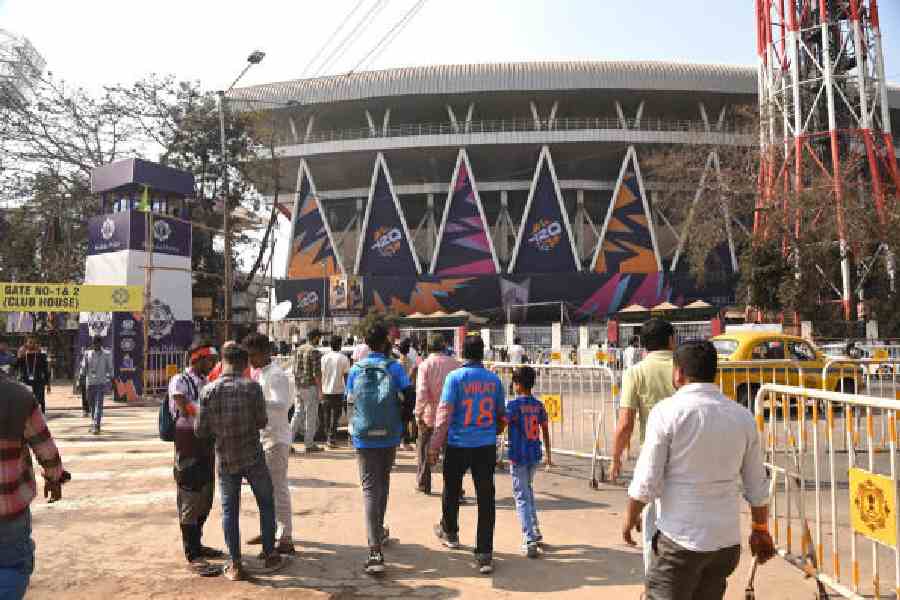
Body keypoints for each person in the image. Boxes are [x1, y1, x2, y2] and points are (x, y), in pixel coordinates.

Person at [623, 341, 775, 599]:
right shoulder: (741, 417)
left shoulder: (667, 412)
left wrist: (630, 518)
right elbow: (757, 485)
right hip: (725, 544)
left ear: (678, 373)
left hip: (680, 540)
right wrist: (760, 528)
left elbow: (647, 480)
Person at [195, 343, 286, 581]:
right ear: (244, 364)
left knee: (229, 511)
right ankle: (269, 553)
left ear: (223, 363)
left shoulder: (208, 391)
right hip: (253, 456)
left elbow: (201, 431)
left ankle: (235, 563)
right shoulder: (252, 388)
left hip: (225, 458)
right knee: (266, 503)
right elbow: (261, 421)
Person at [429, 335, 506, 575]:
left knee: (451, 489)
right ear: (483, 353)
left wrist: (434, 445)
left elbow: (444, 415)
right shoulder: (494, 381)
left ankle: (450, 532)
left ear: (463, 352)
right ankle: (484, 553)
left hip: (458, 443)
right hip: (484, 445)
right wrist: (491, 430)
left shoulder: (455, 378)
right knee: (486, 498)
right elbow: (501, 417)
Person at [344, 322, 414, 575]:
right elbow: (410, 393)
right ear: (385, 342)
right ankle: (379, 531)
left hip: (364, 436)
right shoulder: (394, 367)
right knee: (383, 483)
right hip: (389, 434)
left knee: (369, 489)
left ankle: (375, 549)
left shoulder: (356, 369)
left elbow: (349, 401)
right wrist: (403, 423)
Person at [610, 318, 676, 574]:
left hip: (653, 455)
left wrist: (615, 458)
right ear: (671, 340)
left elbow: (625, 423)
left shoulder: (635, 372)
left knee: (652, 525)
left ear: (642, 344)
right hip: (688, 452)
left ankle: (655, 583)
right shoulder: (683, 367)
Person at [0, 365, 68, 599]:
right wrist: (55, 478)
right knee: (11, 568)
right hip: (9, 509)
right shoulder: (19, 397)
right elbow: (45, 448)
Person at [167, 339, 223, 574]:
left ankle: (197, 544)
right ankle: (192, 554)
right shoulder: (180, 380)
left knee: (206, 498)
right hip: (188, 446)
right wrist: (207, 412)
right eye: (209, 360)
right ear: (197, 359)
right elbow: (182, 405)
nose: (212, 365)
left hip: (206, 446)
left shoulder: (207, 381)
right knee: (189, 498)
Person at [245, 333, 296, 555]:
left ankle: (285, 536)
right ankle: (270, 529)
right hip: (265, 437)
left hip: (276, 438)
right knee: (266, 489)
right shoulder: (262, 374)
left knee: (278, 488)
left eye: (253, 355)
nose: (251, 360)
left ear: (264, 352)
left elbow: (282, 404)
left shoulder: (276, 375)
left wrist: (255, 401)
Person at [504, 366, 552, 559]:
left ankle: (529, 537)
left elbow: (502, 423)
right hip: (534, 454)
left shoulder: (513, 406)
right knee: (528, 491)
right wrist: (548, 454)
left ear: (517, 384)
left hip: (518, 455)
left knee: (521, 496)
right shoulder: (539, 405)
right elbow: (546, 430)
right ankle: (535, 528)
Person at [414, 334, 461, 495]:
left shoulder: (425, 365)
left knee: (424, 450)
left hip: (430, 415)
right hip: (451, 416)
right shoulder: (456, 364)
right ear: (444, 347)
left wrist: (418, 414)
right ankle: (453, 487)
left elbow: (422, 392)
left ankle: (423, 483)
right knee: (451, 455)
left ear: (428, 348)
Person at [292, 329, 323, 453]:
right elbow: (317, 373)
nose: (319, 341)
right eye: (319, 338)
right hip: (310, 387)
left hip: (299, 386)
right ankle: (309, 444)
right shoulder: (314, 351)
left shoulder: (298, 349)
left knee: (297, 414)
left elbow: (294, 370)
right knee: (311, 415)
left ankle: (287, 442)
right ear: (315, 338)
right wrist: (320, 390)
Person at [77, 336, 114, 434]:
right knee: (92, 406)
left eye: (97, 343)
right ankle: (94, 424)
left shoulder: (107, 354)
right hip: (90, 384)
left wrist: (112, 380)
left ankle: (97, 425)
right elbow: (83, 368)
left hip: (101, 383)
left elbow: (110, 368)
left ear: (101, 344)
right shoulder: (87, 354)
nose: (95, 345)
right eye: (94, 343)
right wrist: (79, 380)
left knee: (99, 405)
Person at [321, 335, 351, 449]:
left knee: (326, 416)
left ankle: (328, 438)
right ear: (340, 345)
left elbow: (321, 373)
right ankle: (331, 439)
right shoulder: (343, 358)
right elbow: (346, 375)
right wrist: (348, 390)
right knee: (335, 416)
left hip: (325, 390)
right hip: (338, 391)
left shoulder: (324, 358)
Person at [15, 337, 51, 414]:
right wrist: (19, 356)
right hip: (25, 381)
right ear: (26, 344)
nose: (31, 344)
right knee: (25, 400)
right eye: (30, 342)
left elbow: (45, 370)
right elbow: (16, 367)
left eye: (33, 342)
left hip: (38, 382)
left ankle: (40, 416)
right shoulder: (23, 356)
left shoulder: (41, 356)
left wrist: (48, 384)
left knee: (39, 400)